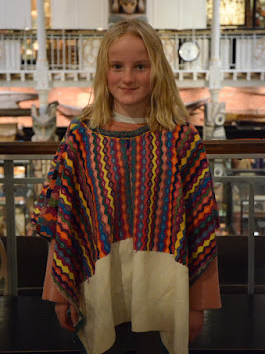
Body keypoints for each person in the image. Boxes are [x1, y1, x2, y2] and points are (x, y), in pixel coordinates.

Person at [31, 19, 221, 354]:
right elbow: (63, 219)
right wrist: (60, 293)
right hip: (97, 287)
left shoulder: (181, 138)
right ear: (104, 71)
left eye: (140, 66)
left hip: (165, 289)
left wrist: (196, 305)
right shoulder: (81, 137)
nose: (128, 78)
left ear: (157, 69)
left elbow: (200, 227)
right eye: (117, 66)